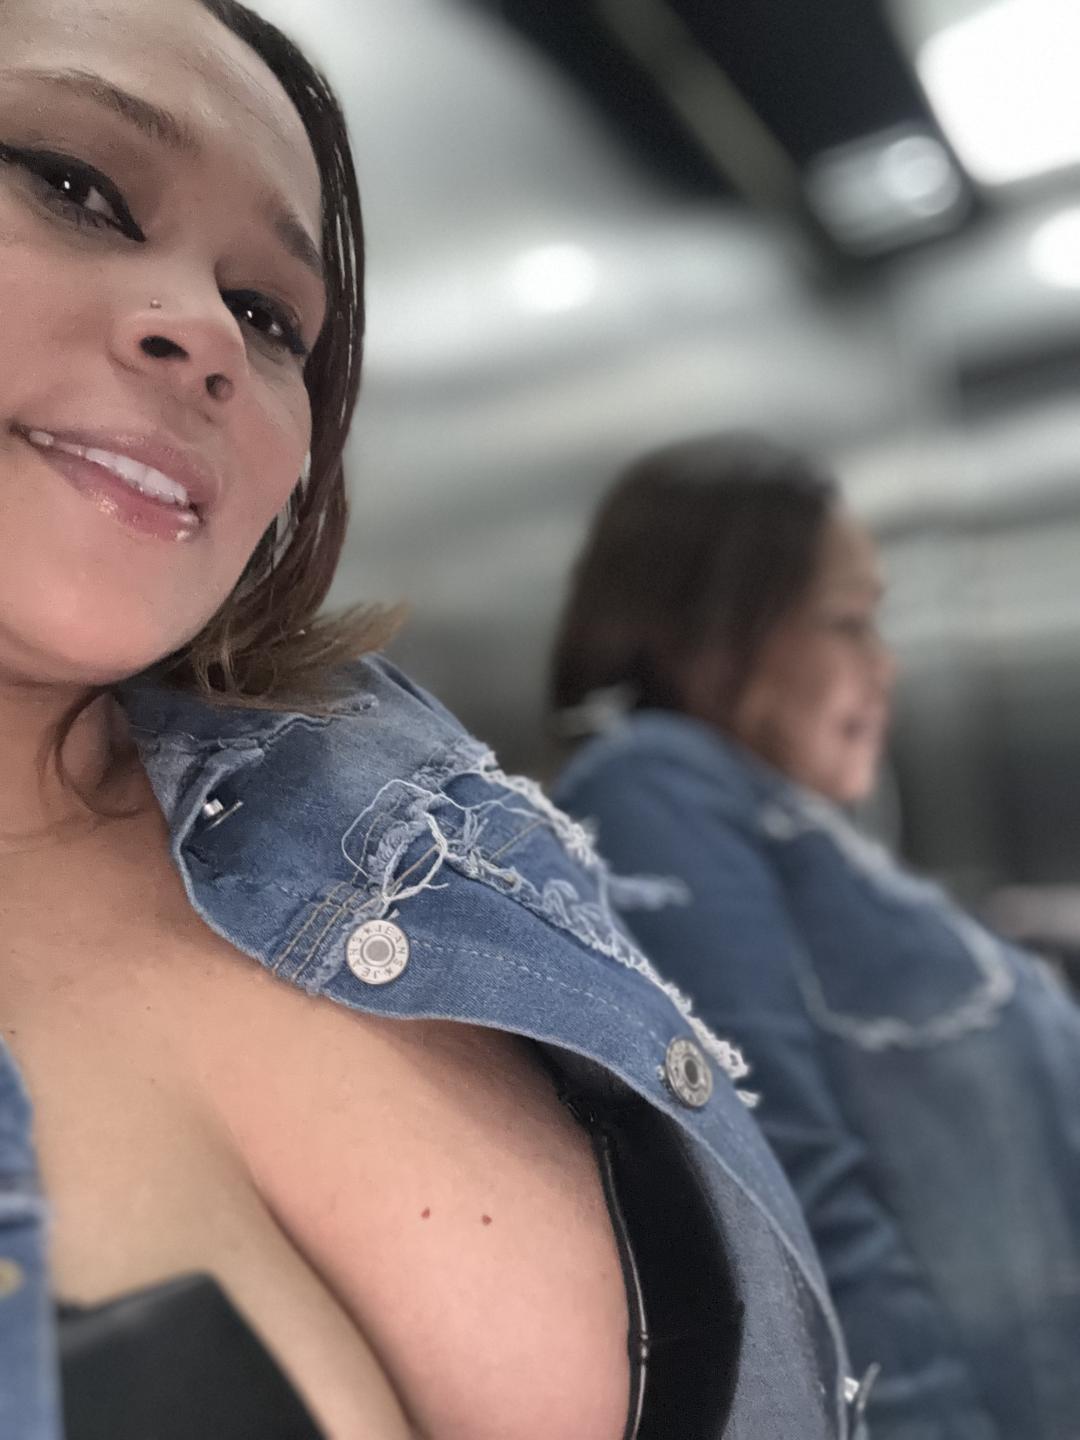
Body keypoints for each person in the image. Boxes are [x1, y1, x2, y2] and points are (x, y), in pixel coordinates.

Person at [0, 5, 868, 1437]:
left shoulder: (355, 766)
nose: (208, 335)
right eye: (74, 185)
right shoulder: (666, 786)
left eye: (271, 316)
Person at [550, 434, 1080, 1440]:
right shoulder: (650, 786)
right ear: (714, 628)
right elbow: (790, 1177)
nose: (884, 665)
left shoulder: (793, 829)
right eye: (848, 622)